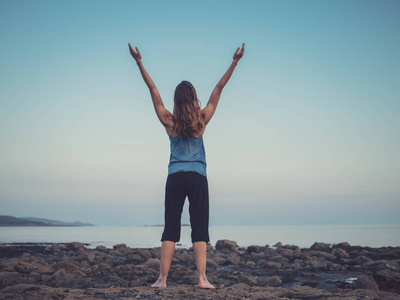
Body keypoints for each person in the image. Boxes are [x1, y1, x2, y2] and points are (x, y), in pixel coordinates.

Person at [128, 42, 245, 289]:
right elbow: (219, 88)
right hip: (197, 177)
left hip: (175, 177)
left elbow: (152, 89)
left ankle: (162, 280)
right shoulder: (201, 120)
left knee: (171, 227)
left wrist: (139, 62)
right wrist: (234, 61)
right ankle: (202, 279)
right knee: (199, 226)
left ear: (177, 100)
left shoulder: (169, 121)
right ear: (193, 98)